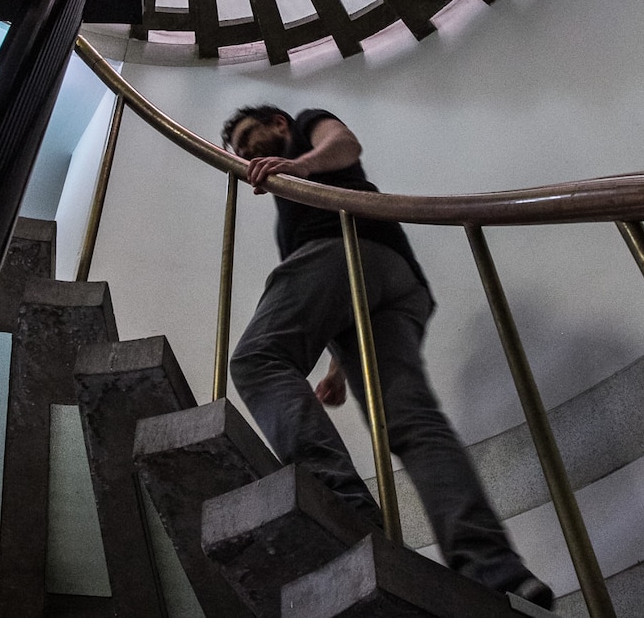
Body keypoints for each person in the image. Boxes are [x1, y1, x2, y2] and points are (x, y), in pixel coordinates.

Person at [222, 104, 554, 611]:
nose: (245, 152)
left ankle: (343, 511)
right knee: (410, 423)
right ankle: (495, 570)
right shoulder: (291, 201)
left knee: (256, 358)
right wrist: (336, 369)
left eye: (249, 136)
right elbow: (342, 297)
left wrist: (299, 167)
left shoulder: (307, 130)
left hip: (345, 247)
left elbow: (345, 144)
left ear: (278, 124)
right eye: (239, 152)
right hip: (392, 282)